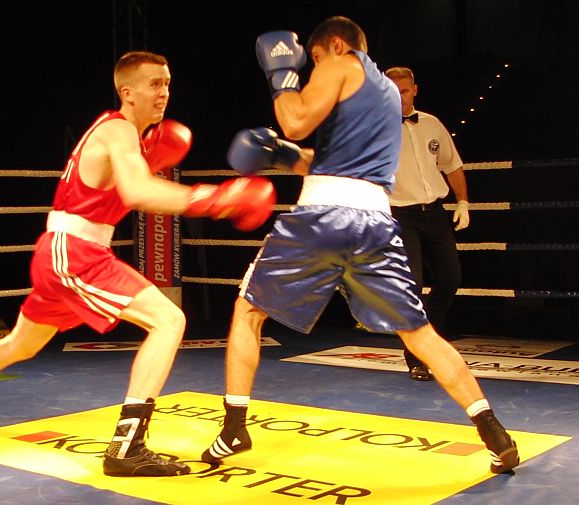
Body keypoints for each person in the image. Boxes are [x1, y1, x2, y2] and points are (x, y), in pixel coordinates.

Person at [0, 50, 276, 478]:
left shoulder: (129, 140)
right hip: (75, 251)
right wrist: (212, 198)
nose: (164, 92)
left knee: (22, 344)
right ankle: (127, 448)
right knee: (168, 320)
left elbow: (136, 188)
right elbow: (140, 192)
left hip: (64, 250)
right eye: (154, 84)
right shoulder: (117, 130)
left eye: (167, 83)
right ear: (127, 91)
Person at [201, 16, 519, 474]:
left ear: (335, 45)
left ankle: (234, 427)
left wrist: (281, 75)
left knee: (247, 312)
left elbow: (294, 120)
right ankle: (493, 432)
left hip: (323, 217)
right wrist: (285, 156)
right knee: (419, 333)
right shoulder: (385, 92)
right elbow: (332, 161)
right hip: (376, 221)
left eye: (313, 60)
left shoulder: (340, 63)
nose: (313, 71)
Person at [383, 66, 470, 381]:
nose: (400, 96)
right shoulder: (376, 128)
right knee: (413, 285)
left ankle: (428, 340)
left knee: (450, 278)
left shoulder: (432, 124)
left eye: (404, 90)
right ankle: (417, 356)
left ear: (414, 90)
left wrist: (463, 202)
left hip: (434, 211)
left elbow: (452, 165)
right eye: (393, 91)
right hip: (399, 214)